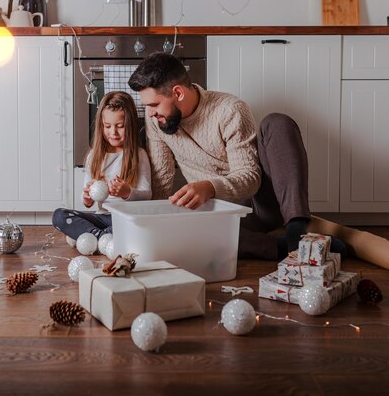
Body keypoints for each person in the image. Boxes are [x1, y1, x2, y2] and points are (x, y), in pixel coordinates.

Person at [127, 52, 340, 260]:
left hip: (260, 204)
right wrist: (148, 222)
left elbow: (250, 178)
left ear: (178, 93)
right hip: (219, 216)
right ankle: (287, 248)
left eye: (154, 105)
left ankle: (296, 228)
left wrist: (210, 187)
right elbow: (161, 181)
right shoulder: (156, 120)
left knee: (276, 123)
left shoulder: (229, 110)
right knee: (192, 236)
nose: (150, 113)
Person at [52, 91, 152, 240]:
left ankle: (90, 237)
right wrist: (86, 198)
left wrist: (127, 192)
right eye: (107, 126)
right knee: (59, 216)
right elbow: (87, 198)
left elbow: (147, 195)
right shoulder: (94, 156)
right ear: (101, 125)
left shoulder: (139, 155)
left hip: (125, 219)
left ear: (130, 125)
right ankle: (101, 237)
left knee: (139, 227)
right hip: (101, 218)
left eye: (120, 126)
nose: (113, 132)